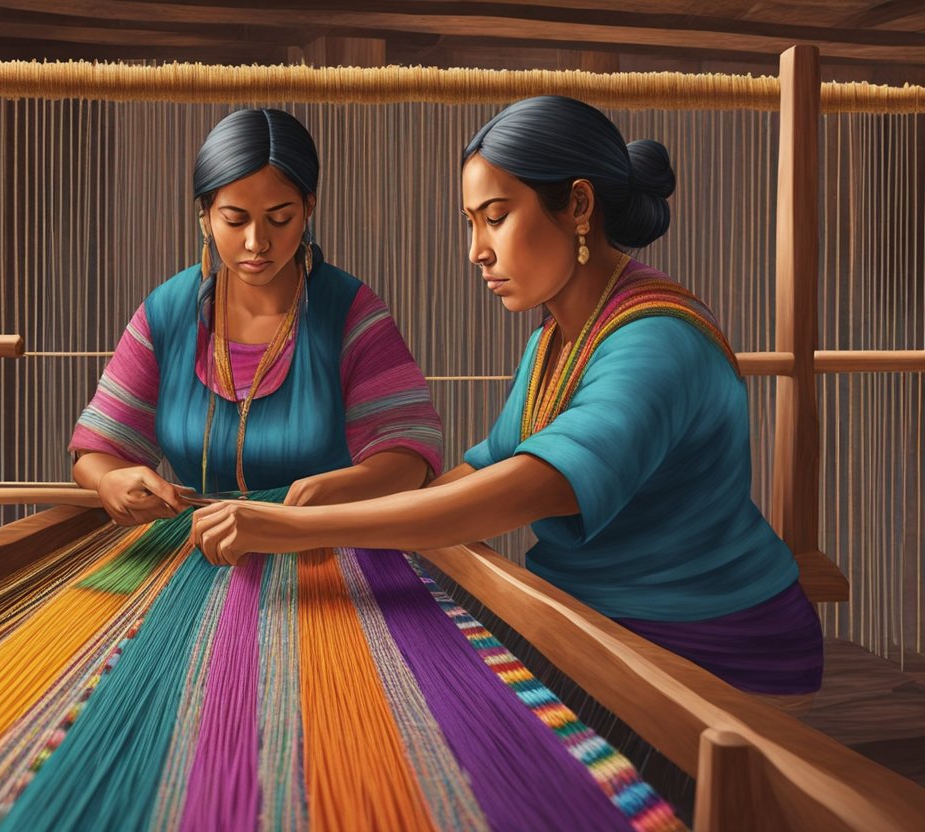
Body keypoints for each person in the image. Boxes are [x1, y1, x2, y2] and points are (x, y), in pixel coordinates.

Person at [190, 95, 824, 699]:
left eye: (495, 217)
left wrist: (294, 527)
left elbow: (508, 494)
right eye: (472, 223)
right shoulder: (556, 338)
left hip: (703, 656)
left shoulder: (656, 343)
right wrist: (348, 497)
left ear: (579, 204)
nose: (477, 251)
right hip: (583, 624)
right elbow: (480, 470)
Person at [69, 107, 443, 524]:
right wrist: (110, 481)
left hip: (325, 543)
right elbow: (98, 451)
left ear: (308, 209)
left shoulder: (349, 312)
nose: (256, 242)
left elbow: (411, 456)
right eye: (235, 219)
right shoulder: (168, 311)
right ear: (205, 216)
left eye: (279, 219)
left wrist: (338, 490)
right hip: (196, 543)